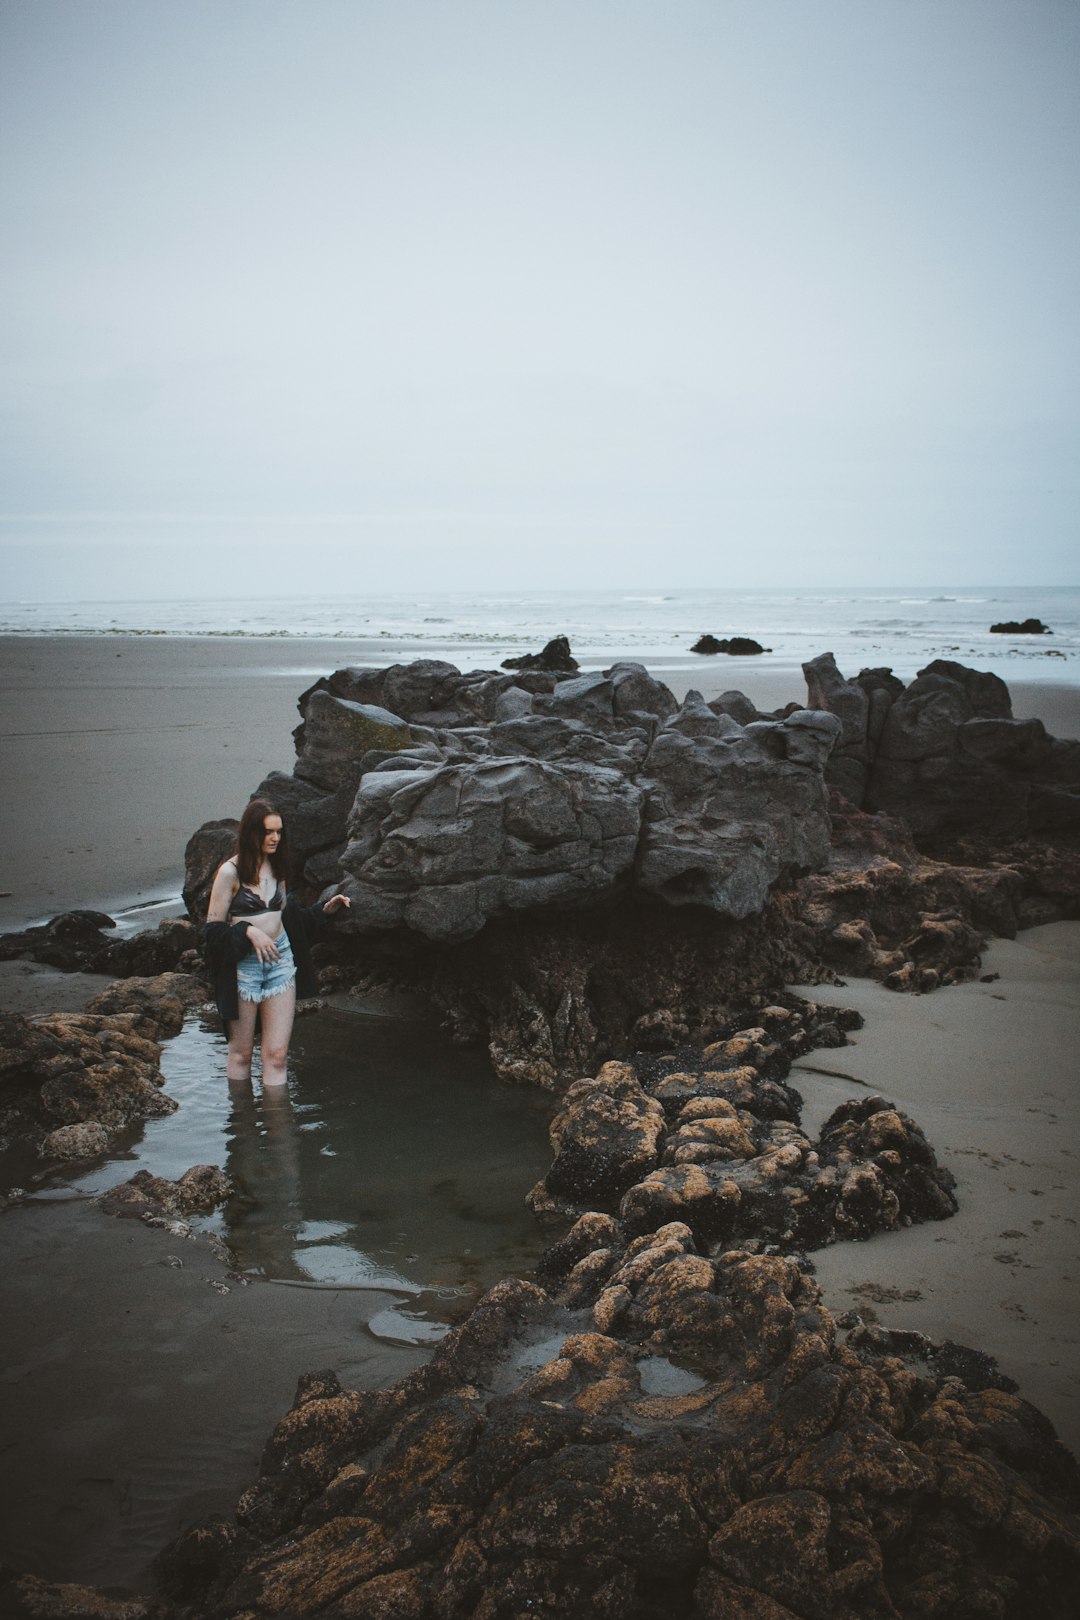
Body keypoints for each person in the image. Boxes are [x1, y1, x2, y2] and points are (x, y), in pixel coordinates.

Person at [204, 798, 350, 1086]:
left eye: (278, 832)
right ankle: (243, 1127)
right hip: (243, 970)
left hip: (280, 962)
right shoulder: (229, 873)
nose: (274, 838)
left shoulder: (278, 867)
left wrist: (323, 910)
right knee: (241, 1055)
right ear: (250, 834)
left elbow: (287, 918)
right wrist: (247, 931)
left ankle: (279, 1129)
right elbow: (211, 934)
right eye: (267, 832)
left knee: (277, 1055)